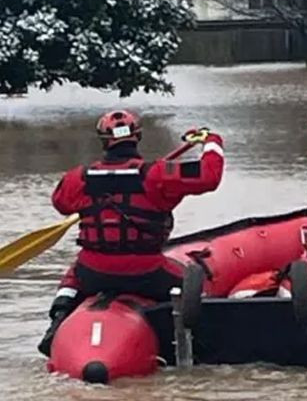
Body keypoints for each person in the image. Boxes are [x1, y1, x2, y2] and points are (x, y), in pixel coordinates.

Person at [38, 111, 224, 355]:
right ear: (137, 137)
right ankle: (200, 340)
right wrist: (212, 141)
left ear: (103, 140)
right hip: (147, 272)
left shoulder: (77, 178)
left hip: (94, 273)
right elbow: (209, 176)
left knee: (74, 273)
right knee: (194, 284)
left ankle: (58, 319)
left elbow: (61, 203)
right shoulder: (157, 174)